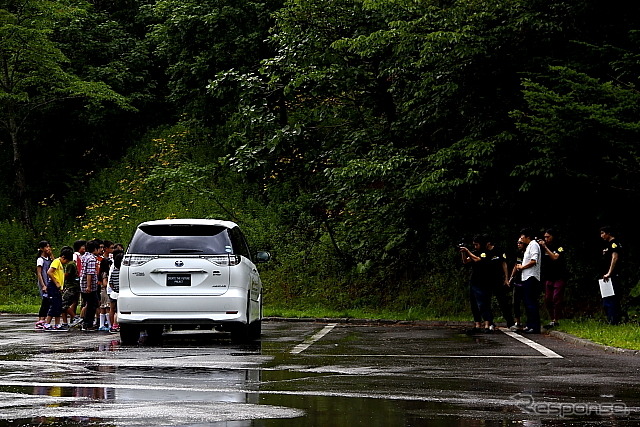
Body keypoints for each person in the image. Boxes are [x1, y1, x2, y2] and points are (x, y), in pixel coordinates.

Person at [460, 234, 496, 333]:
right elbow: (465, 261)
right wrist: (463, 253)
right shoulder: (474, 252)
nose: (475, 247)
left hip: (484, 281)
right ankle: (477, 324)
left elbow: (478, 260)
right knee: (474, 304)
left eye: (476, 244)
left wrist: (468, 252)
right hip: (474, 280)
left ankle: (487, 324)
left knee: (483, 303)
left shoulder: (486, 253)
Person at [539, 228, 568, 329]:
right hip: (548, 276)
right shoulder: (542, 248)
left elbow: (555, 257)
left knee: (556, 298)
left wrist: (545, 247)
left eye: (548, 237)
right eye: (545, 237)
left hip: (559, 276)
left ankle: (556, 319)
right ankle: (551, 319)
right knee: (547, 299)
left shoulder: (559, 246)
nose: (546, 239)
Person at [515, 228, 542, 334]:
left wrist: (522, 267)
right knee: (527, 302)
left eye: (522, 237)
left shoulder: (534, 245)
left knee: (531, 302)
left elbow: (533, 260)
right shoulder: (529, 246)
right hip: (526, 277)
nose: (521, 240)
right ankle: (530, 324)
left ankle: (535, 326)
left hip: (531, 276)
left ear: (527, 237)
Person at [486, 237, 514, 329]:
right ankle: (490, 322)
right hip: (488, 280)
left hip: (498, 279)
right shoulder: (484, 252)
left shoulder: (498, 250)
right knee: (487, 302)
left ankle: (510, 322)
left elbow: (504, 264)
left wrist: (506, 278)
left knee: (503, 301)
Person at [44, 247, 73, 331]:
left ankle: (57, 324)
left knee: (58, 306)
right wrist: (56, 283)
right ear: (63, 257)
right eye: (66, 261)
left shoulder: (60, 263)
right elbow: (49, 272)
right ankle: (47, 323)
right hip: (53, 286)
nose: (66, 263)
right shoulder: (56, 262)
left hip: (58, 287)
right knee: (54, 305)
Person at [600, 226, 622, 325]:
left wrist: (609, 273)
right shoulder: (607, 245)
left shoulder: (614, 243)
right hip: (605, 276)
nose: (601, 235)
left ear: (608, 233)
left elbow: (615, 257)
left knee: (612, 298)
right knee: (606, 298)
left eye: (603, 233)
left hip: (612, 275)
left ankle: (614, 320)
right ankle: (609, 319)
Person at [80, 240, 100, 331]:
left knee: (89, 303)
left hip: (82, 283)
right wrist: (89, 286)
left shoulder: (84, 256)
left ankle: (86, 322)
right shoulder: (91, 259)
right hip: (90, 286)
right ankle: (88, 324)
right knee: (92, 305)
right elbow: (90, 273)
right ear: (95, 249)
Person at [61, 245, 82, 327]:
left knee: (63, 303)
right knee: (64, 305)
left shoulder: (70, 264)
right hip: (73, 287)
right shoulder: (72, 263)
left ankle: (75, 317)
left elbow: (66, 275)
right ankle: (65, 323)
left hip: (72, 288)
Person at [35, 241, 53, 329]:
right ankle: (40, 319)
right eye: (46, 247)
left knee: (49, 302)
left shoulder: (49, 259)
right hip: (44, 282)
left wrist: (51, 255)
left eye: (49, 246)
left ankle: (43, 319)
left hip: (50, 283)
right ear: (42, 249)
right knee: (45, 301)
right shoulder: (40, 260)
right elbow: (39, 273)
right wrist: (43, 285)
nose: (48, 248)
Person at [509, 239, 526, 331]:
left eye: (520, 243)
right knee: (515, 302)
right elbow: (516, 265)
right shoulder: (518, 254)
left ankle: (528, 321)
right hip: (518, 280)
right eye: (518, 242)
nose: (518, 244)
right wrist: (511, 277)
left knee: (527, 302)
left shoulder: (528, 253)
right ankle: (517, 322)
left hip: (526, 279)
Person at [108, 250, 124, 333]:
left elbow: (110, 283)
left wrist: (114, 288)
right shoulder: (123, 272)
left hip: (113, 293)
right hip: (120, 293)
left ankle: (111, 325)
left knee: (112, 309)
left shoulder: (114, 271)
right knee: (118, 311)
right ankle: (116, 325)